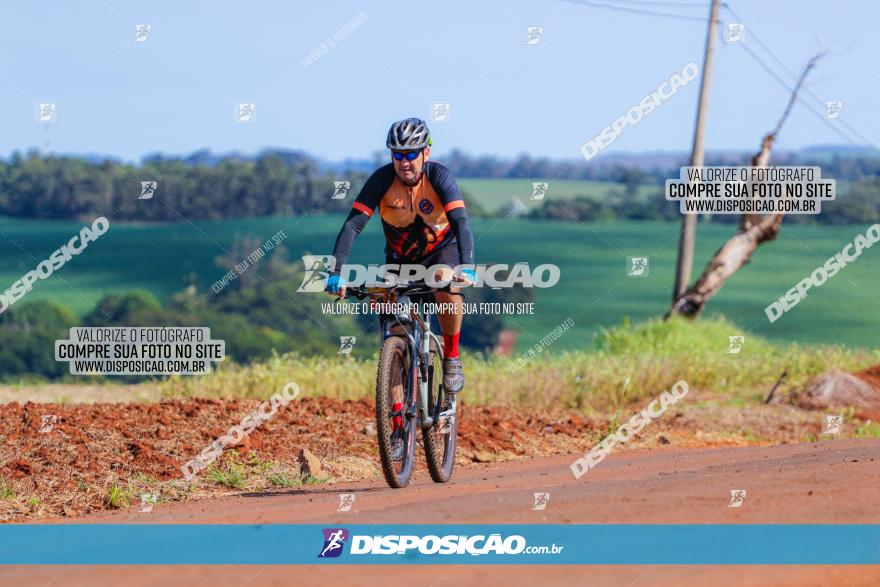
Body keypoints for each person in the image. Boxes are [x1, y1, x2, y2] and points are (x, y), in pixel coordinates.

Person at [326, 117, 476, 393]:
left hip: (441, 252)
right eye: (397, 154)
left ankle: (452, 357)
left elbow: (461, 222)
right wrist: (335, 271)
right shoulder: (382, 180)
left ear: (426, 153)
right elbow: (353, 225)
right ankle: (395, 419)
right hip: (400, 260)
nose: (404, 162)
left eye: (410, 154)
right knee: (394, 331)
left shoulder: (439, 177)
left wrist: (467, 266)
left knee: (444, 281)